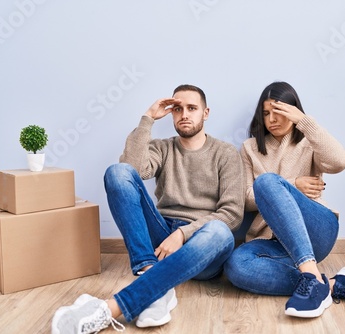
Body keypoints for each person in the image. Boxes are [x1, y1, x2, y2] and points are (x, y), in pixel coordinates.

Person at [51, 84, 244, 333]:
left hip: (202, 243)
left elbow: (232, 214)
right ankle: (150, 274)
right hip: (161, 238)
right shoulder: (163, 147)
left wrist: (183, 234)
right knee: (116, 171)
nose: (184, 114)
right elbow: (130, 170)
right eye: (178, 109)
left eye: (192, 108)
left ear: (205, 113)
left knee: (220, 232)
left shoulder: (226, 153)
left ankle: (112, 307)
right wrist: (148, 119)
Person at [224, 81, 345, 318]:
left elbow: (339, 161)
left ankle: (310, 274)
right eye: (266, 113)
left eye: (278, 112)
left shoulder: (309, 142)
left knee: (266, 181)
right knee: (235, 267)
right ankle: (330, 284)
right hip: (272, 243)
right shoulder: (249, 148)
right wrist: (292, 184)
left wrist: (304, 121)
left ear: (294, 111)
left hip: (316, 231)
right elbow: (246, 199)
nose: (272, 119)